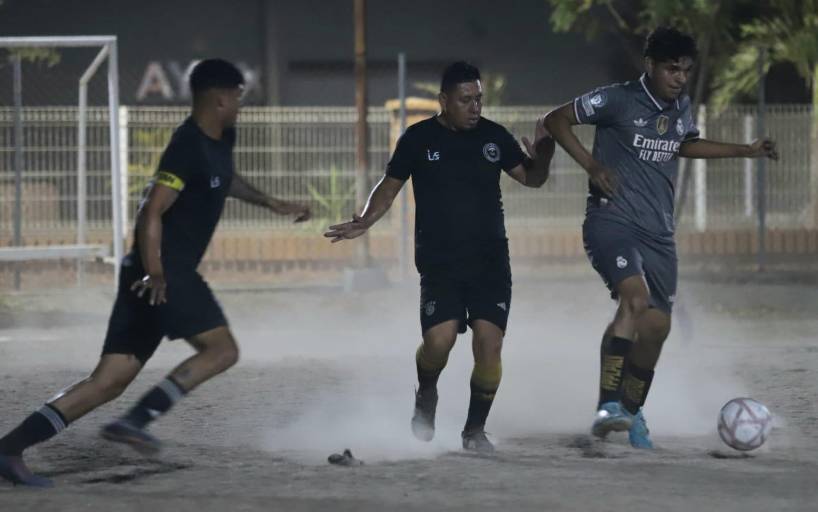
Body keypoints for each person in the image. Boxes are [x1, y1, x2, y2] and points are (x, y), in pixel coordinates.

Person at [0, 58, 311, 486]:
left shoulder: (221, 138)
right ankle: (135, 422)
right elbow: (151, 212)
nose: (241, 104)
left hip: (149, 271)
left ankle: (9, 447)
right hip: (165, 270)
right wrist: (157, 273)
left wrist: (273, 203)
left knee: (108, 380)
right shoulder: (186, 146)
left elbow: (225, 179)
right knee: (222, 351)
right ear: (221, 98)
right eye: (238, 97)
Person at [544, 27, 778, 448]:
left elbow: (684, 145)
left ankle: (631, 415)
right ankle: (607, 407)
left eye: (686, 70)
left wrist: (745, 150)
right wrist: (592, 166)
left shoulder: (681, 106)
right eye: (672, 69)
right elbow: (555, 119)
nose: (680, 78)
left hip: (658, 235)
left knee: (656, 326)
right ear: (649, 66)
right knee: (633, 300)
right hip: (610, 220)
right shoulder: (616, 98)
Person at [325, 61, 554, 454]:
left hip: (490, 262)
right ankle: (426, 393)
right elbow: (389, 185)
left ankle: (474, 431)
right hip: (440, 263)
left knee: (489, 344)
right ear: (444, 101)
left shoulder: (494, 137)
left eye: (479, 99)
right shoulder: (417, 139)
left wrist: (544, 156)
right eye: (466, 100)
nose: (475, 107)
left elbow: (532, 178)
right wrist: (365, 219)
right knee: (438, 342)